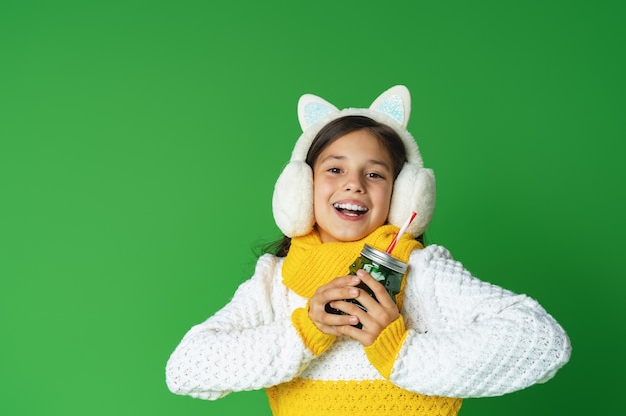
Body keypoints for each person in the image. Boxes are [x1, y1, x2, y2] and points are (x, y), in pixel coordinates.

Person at [165, 85, 571, 416]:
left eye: (374, 174)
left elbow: (542, 341)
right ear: (301, 188)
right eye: (335, 169)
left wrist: (398, 349)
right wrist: (306, 331)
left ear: (402, 194)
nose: (354, 184)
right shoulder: (274, 281)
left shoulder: (423, 271)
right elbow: (186, 369)